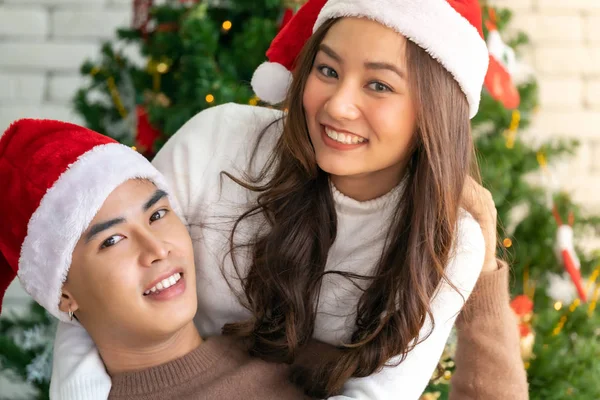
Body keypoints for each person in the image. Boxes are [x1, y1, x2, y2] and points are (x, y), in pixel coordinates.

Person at [50, 0, 528, 398]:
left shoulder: (447, 241)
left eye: (378, 85)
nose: (337, 105)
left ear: (434, 111)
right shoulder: (217, 143)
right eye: (327, 69)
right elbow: (89, 280)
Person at [0, 120, 310, 400]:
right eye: (112, 240)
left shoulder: (294, 354)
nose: (157, 249)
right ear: (64, 294)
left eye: (157, 214)